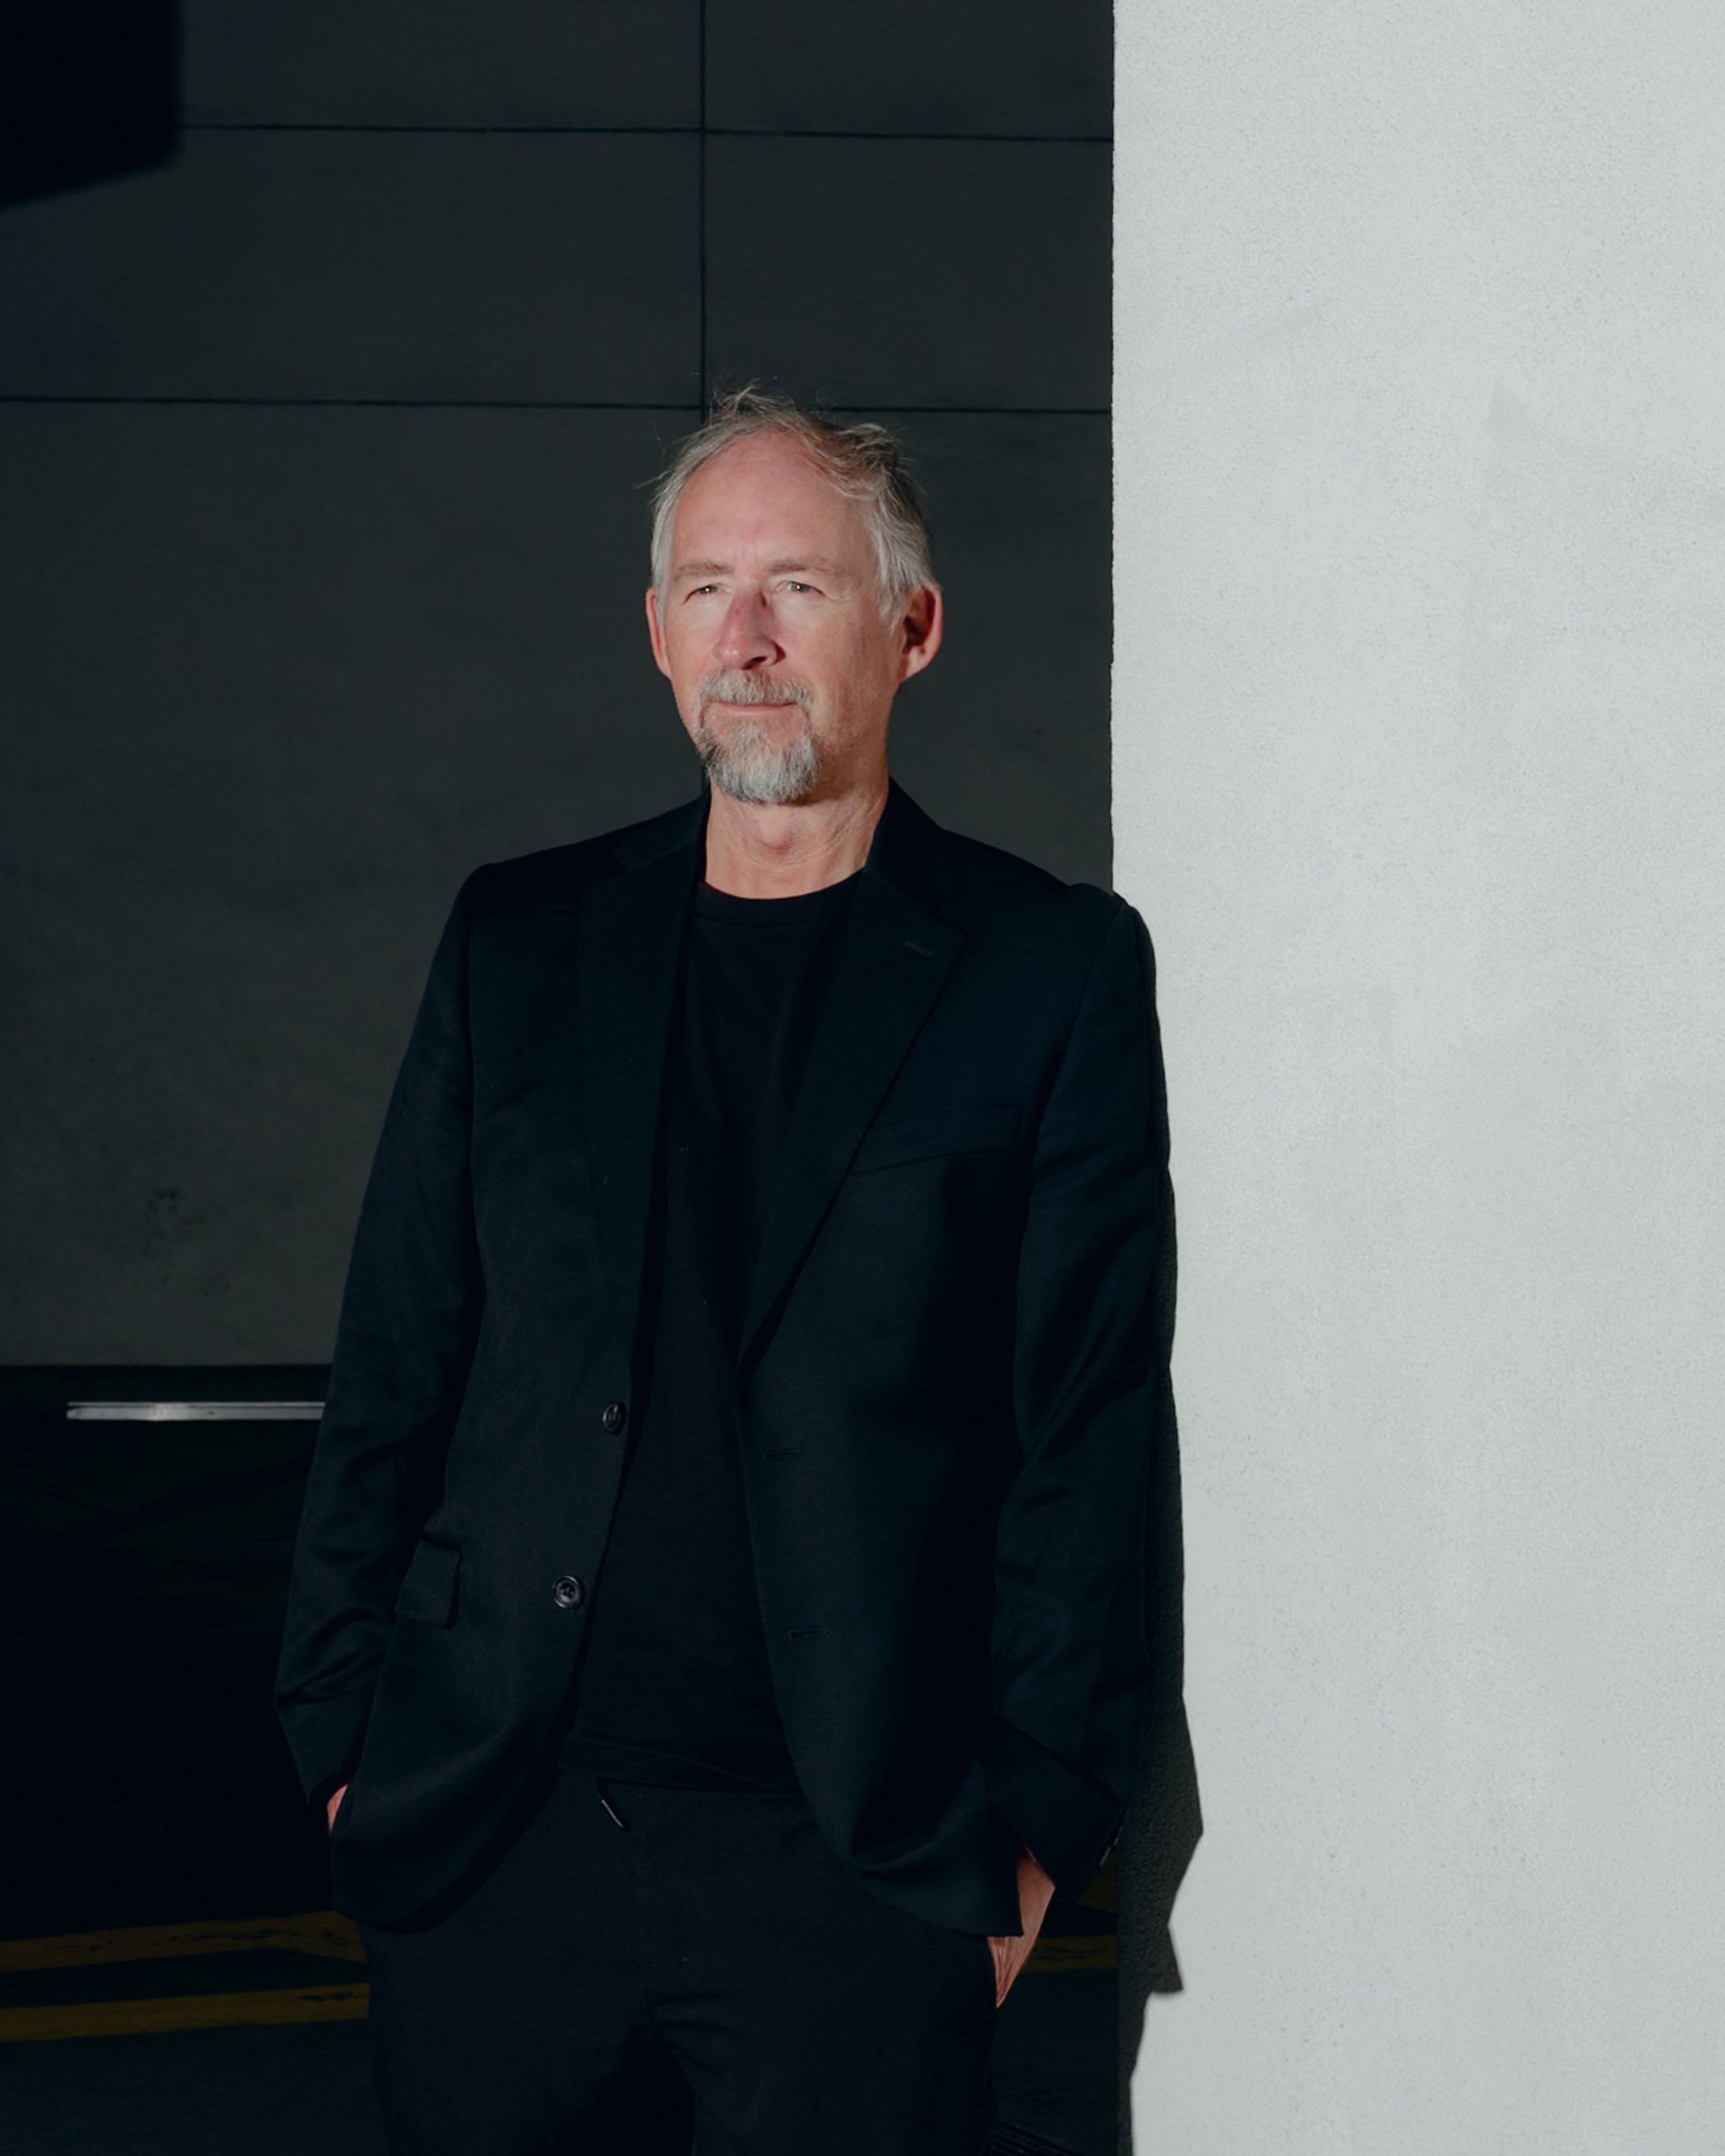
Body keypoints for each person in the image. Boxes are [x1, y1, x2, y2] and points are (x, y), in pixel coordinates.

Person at [276, 388, 1168, 2154]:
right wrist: (339, 1742)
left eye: (797, 588)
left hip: (854, 1869)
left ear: (911, 627)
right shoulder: (519, 942)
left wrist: (1028, 1839)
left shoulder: (1043, 969)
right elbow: (396, 1361)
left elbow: (1085, 1423)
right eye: (704, 590)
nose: (744, 638)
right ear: (656, 634)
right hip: (502, 1839)